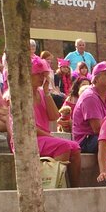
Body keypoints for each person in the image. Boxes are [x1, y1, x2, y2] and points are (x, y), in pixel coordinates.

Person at [13, 56, 81, 186]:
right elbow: (28, 127)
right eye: (38, 74)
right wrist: (49, 135)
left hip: (43, 138)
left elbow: (54, 116)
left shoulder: (40, 92)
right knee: (64, 146)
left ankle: (74, 188)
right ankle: (53, 186)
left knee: (75, 148)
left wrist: (47, 93)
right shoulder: (18, 95)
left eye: (43, 75)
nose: (41, 78)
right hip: (27, 140)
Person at [72, 61, 106, 153]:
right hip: (86, 141)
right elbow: (98, 129)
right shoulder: (90, 97)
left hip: (103, 136)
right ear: (95, 79)